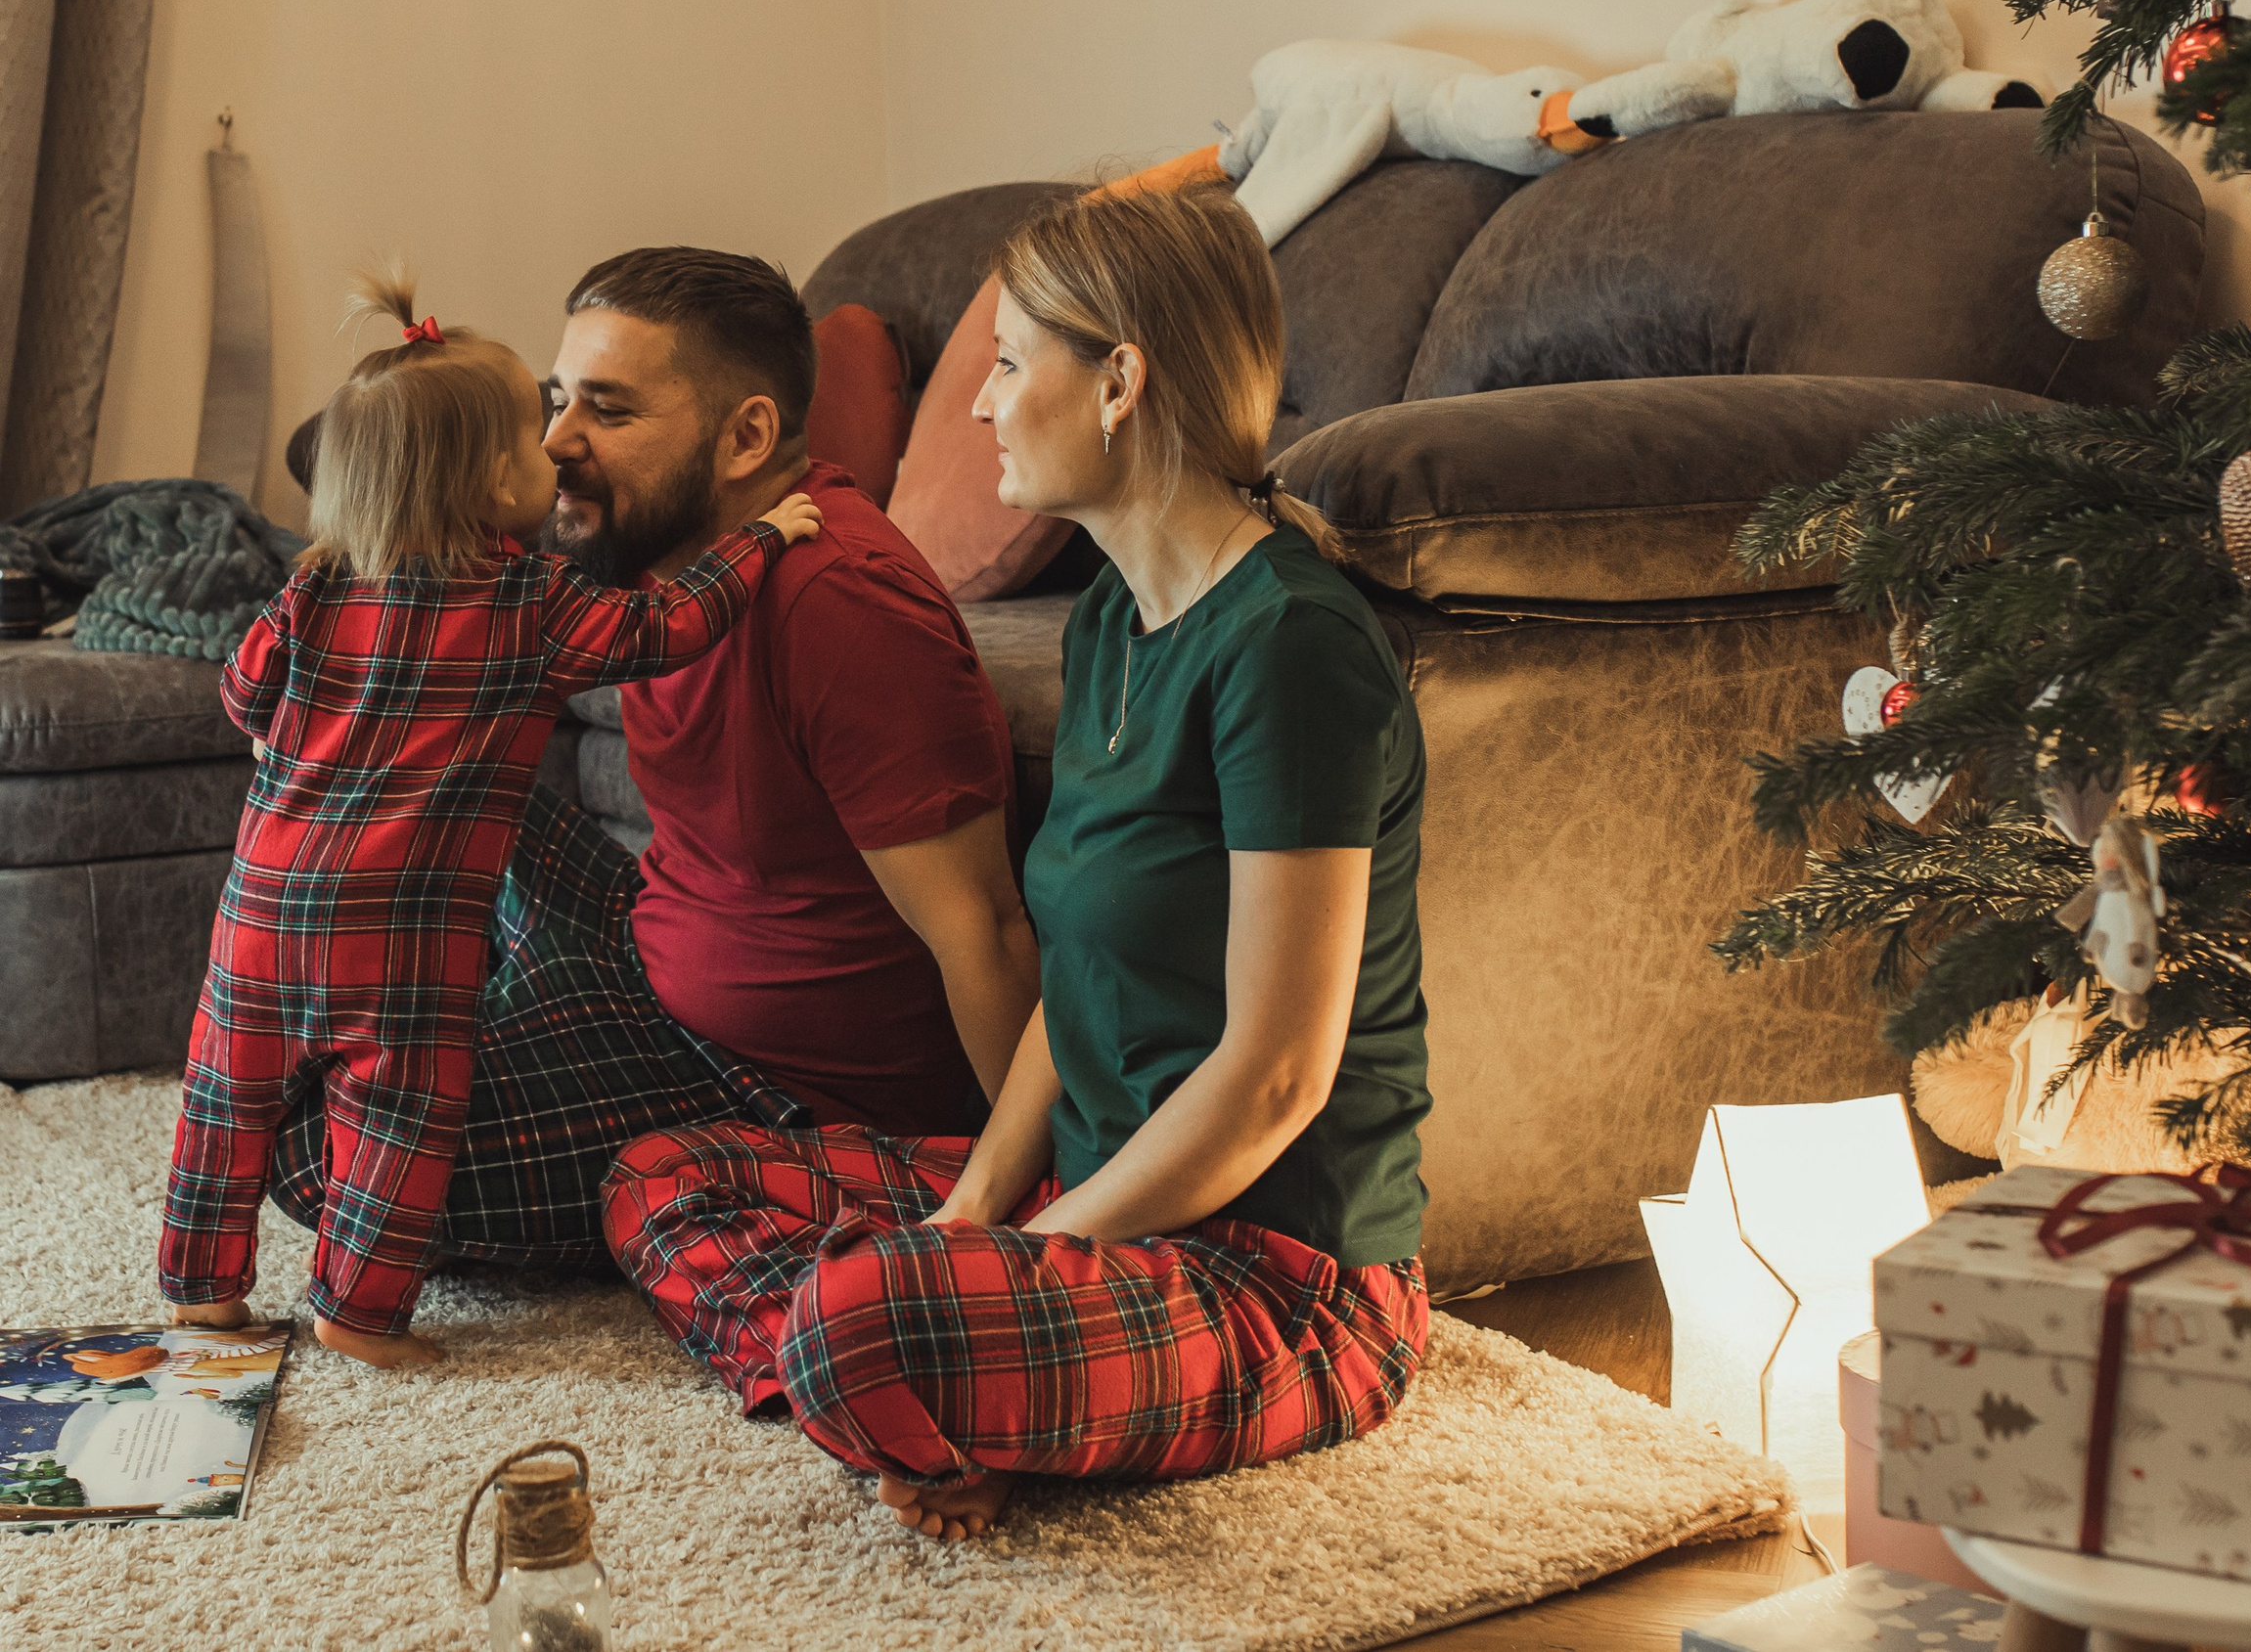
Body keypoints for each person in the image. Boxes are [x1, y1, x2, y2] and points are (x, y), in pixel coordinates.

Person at [605, 185, 1433, 1539]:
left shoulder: (1290, 648)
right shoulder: (1114, 616)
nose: (981, 406)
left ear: (1120, 379)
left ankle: (915, 1377)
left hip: (1281, 1276)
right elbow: (1084, 979)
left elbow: (1277, 1074)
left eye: (1004, 362)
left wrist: (1014, 1254)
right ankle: (953, 1399)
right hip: (1097, 1200)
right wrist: (980, 1205)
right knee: (660, 1179)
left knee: (852, 1320)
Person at [261, 248, 1037, 1270]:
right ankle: (504, 1017)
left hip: (769, 1081)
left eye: (609, 413)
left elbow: (982, 927)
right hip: (654, 947)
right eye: (557, 399)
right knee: (414, 798)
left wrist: (1023, 1185)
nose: (555, 443)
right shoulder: (647, 561)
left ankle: (524, 1034)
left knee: (317, 1155)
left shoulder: (839, 606)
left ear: (746, 437)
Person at [160, 272, 819, 1366]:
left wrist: (290, 737)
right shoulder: (528, 603)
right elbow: (669, 625)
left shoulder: (317, 587)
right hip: (404, 945)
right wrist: (766, 539)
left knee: (225, 1097)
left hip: (262, 914)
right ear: (481, 481)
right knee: (398, 1117)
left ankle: (200, 1294)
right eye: (536, 434)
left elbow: (241, 691)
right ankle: (357, 1314)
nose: (559, 449)